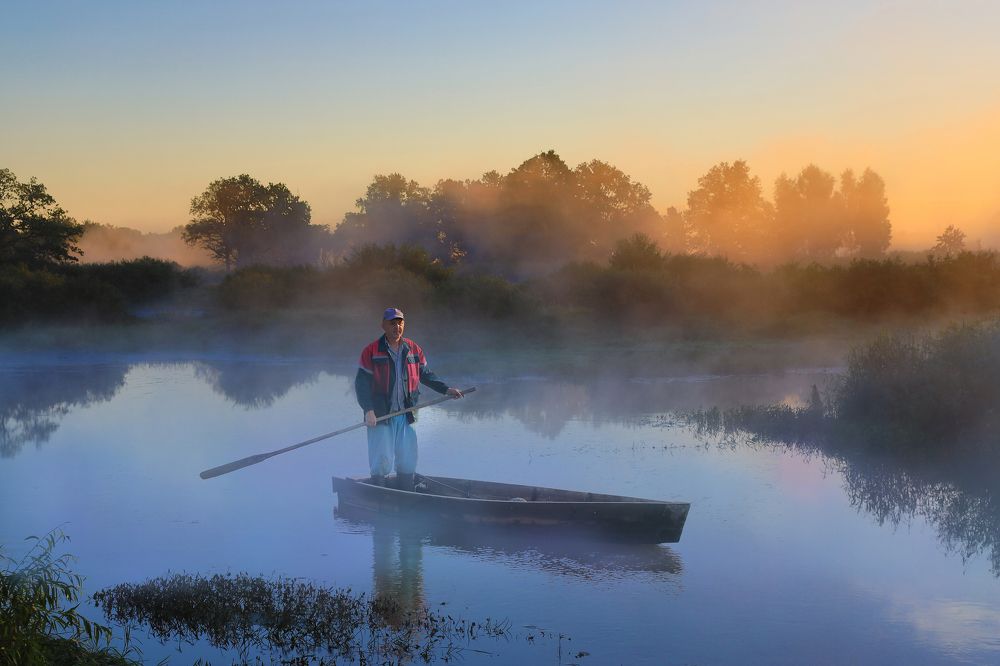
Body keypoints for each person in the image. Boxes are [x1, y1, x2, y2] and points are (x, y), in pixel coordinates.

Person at [355, 307, 462, 490]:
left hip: (407, 414)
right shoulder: (371, 351)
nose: (397, 326)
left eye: (400, 322)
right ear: (383, 325)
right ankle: (379, 496)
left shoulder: (413, 349)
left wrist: (446, 390)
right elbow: (361, 385)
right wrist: (368, 410)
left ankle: (406, 493)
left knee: (408, 458)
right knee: (381, 459)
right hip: (381, 415)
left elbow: (426, 374)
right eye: (392, 323)